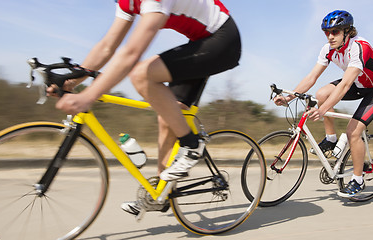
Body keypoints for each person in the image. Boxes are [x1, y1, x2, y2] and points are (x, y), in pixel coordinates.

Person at [48, 0, 241, 216]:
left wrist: (88, 96)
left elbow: (131, 53)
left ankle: (191, 144)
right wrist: (71, 82)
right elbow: (107, 46)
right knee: (168, 116)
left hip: (224, 40)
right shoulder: (126, 3)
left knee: (141, 74)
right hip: (200, 42)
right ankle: (161, 193)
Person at [273, 10, 373, 198]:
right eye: (326, 32)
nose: (330, 36)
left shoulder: (360, 46)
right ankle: (331, 139)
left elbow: (344, 85)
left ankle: (358, 180)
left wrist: (322, 110)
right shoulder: (328, 49)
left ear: (347, 31)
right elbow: (312, 77)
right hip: (358, 83)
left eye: (335, 32)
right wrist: (289, 98)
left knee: (353, 132)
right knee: (321, 94)